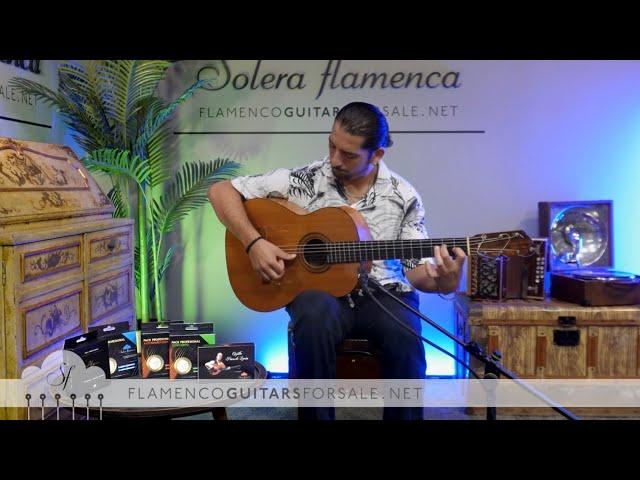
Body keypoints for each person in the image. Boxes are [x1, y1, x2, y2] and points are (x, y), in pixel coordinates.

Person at [208, 102, 466, 420]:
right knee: (313, 312)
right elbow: (220, 191)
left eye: (348, 154)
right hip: (325, 296)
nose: (334, 159)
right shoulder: (306, 179)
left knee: (406, 335)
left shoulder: (403, 196)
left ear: (377, 155)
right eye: (332, 145)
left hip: (383, 295)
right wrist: (254, 243)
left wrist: (446, 280)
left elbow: (415, 275)